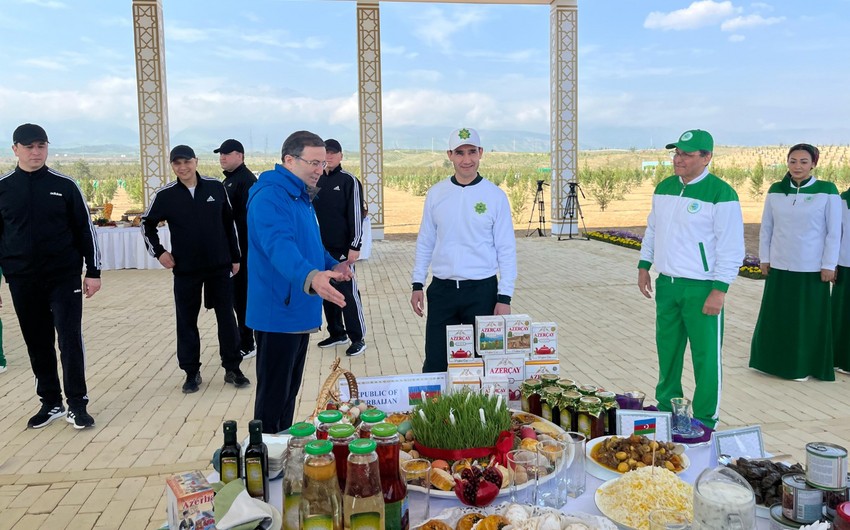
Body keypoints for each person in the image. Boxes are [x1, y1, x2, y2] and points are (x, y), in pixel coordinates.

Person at [637, 129, 744, 430]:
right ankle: (667, 407)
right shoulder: (665, 188)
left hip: (702, 288)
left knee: (705, 357)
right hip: (668, 285)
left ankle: (706, 418)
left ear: (707, 157)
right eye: (676, 153)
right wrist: (645, 264)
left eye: (686, 154)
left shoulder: (721, 193)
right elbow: (653, 230)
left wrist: (720, 289)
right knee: (667, 350)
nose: (678, 159)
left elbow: (732, 247)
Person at [246, 130, 352, 433]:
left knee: (288, 394)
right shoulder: (270, 196)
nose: (321, 170)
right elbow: (278, 245)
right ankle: (264, 457)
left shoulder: (299, 196)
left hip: (298, 308)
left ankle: (282, 452)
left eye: (323, 163)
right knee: (273, 398)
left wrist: (332, 264)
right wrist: (311, 276)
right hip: (278, 312)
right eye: (314, 163)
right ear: (289, 160)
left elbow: (309, 246)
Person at [0, 123, 101, 429]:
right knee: (37, 341)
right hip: (22, 279)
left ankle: (77, 405)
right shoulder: (3, 188)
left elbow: (86, 230)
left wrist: (93, 271)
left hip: (63, 277)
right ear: (15, 149)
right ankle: (51, 402)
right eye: (29, 147)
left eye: (41, 146)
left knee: (69, 340)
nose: (36, 152)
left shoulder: (65, 186)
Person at [141, 145, 250, 394]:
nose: (183, 167)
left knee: (227, 318)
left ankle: (233, 368)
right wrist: (159, 252)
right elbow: (146, 224)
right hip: (186, 269)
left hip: (219, 266)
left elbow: (228, 223)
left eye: (187, 162)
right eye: (177, 163)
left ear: (196, 161)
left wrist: (235, 257)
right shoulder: (165, 195)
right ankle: (191, 372)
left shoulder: (214, 187)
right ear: (172, 166)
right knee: (187, 321)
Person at [410, 127, 517, 373]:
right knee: (436, 362)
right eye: (460, 153)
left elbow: (506, 249)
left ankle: (481, 411)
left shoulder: (495, 196)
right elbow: (426, 240)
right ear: (450, 155)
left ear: (481, 153)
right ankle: (434, 411)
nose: (466, 159)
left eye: (471, 152)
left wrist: (504, 297)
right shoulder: (437, 193)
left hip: (482, 291)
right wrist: (417, 283)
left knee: (483, 363)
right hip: (442, 290)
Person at [750, 144, 840, 382]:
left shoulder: (827, 190)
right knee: (778, 317)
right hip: (779, 266)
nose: (797, 166)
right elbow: (767, 227)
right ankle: (772, 363)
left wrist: (829, 264)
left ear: (813, 164)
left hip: (811, 269)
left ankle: (803, 367)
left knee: (807, 321)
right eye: (792, 161)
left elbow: (833, 232)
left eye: (803, 161)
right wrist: (765, 258)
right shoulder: (776, 190)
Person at [313, 138, 367, 357]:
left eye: (334, 153)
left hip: (343, 249)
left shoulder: (349, 181)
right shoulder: (314, 181)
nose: (329, 157)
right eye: (326, 153)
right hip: (321, 248)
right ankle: (336, 332)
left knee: (347, 293)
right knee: (327, 291)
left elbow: (356, 214)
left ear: (341, 156)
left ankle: (358, 337)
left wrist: (355, 245)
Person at [215, 139, 257, 360]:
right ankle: (241, 337)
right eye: (220, 154)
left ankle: (248, 342)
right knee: (235, 297)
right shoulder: (229, 180)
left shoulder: (246, 180)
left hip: (244, 250)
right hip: (233, 250)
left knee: (242, 297)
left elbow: (247, 219)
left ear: (240, 155)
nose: (222, 157)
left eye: (227, 153)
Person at [832, 182, 850, 376]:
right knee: (843, 315)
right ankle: (841, 358)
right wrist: (832, 263)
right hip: (846, 265)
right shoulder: (843, 200)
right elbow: (836, 233)